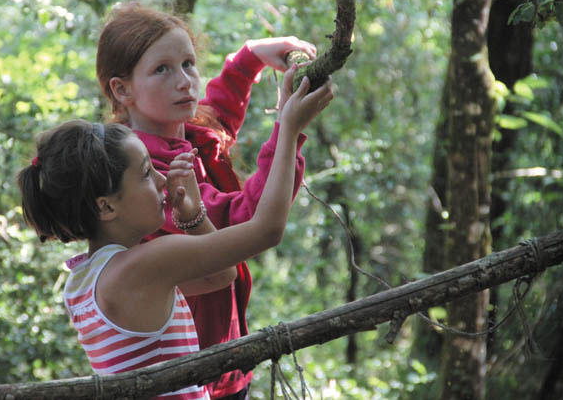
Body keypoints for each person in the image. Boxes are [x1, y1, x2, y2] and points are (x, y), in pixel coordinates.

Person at [17, 68, 333, 399]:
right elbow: (267, 231)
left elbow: (220, 277)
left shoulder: (85, 279)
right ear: (105, 208)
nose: (161, 179)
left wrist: (193, 217)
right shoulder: (140, 267)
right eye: (145, 173)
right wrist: (289, 129)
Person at [95, 2, 319, 399]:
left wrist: (248, 59)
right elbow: (243, 220)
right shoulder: (150, 178)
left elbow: (217, 116)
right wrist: (288, 130)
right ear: (121, 89)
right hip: (195, 375)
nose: (184, 81)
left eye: (188, 63)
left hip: (223, 358)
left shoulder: (181, 131)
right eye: (161, 69)